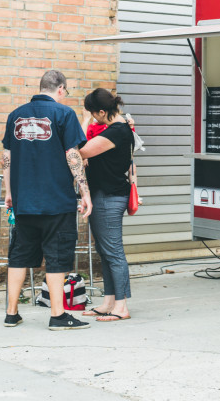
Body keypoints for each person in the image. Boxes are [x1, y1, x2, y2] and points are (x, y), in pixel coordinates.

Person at [2, 70, 92, 330]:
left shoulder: (15, 115)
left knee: (18, 256)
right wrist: (85, 192)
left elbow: (6, 157)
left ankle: (11, 313)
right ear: (61, 89)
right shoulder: (64, 114)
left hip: (24, 201)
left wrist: (10, 192)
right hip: (57, 201)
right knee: (57, 257)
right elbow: (73, 155)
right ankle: (57, 316)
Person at [78, 88, 135, 322]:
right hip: (104, 195)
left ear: (102, 111)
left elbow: (80, 150)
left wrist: (83, 121)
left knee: (114, 252)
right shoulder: (118, 129)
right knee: (105, 252)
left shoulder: (117, 131)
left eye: (93, 113)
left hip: (109, 196)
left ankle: (121, 307)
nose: (92, 117)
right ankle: (109, 301)